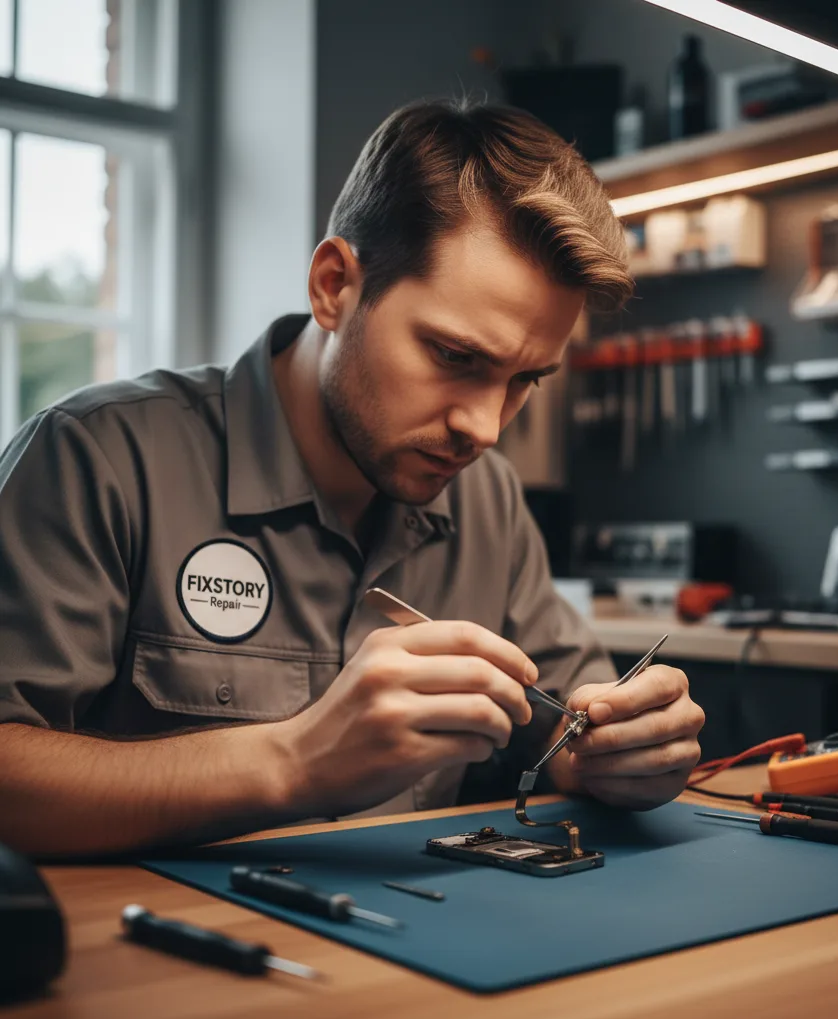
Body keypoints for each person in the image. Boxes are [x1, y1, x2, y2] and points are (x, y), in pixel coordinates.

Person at [0, 100, 704, 857]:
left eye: (524, 379)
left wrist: (621, 751)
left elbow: (570, 734)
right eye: (455, 358)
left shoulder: (489, 500)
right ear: (334, 285)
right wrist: (294, 761)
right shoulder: (97, 459)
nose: (486, 428)